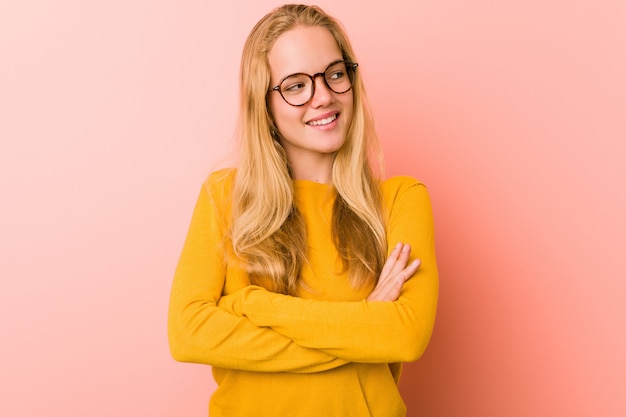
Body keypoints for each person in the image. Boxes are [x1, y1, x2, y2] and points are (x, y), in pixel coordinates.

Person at [168, 4, 438, 416]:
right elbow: (188, 335)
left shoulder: (401, 200)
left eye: (334, 74)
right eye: (296, 85)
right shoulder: (225, 196)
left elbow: (404, 336)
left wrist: (251, 305)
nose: (324, 96)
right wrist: (364, 323)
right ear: (266, 104)